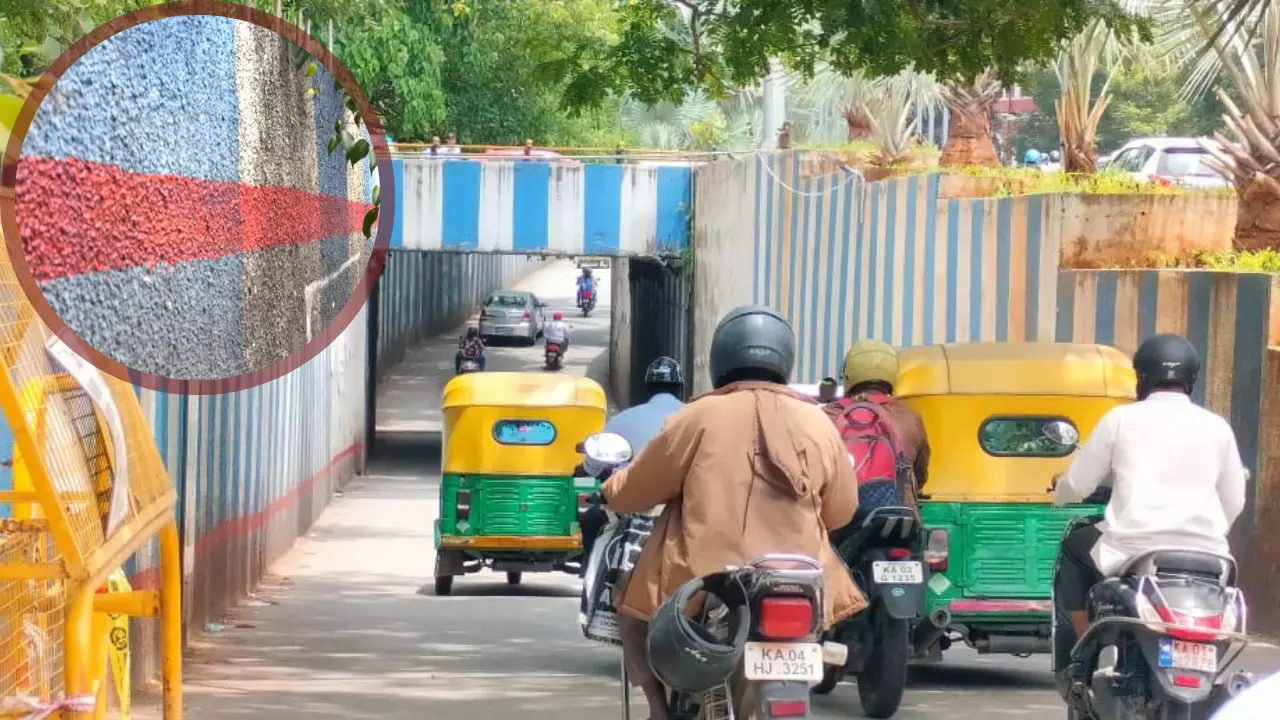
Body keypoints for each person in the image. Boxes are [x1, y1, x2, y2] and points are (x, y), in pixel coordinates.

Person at [598, 305, 865, 720]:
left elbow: (633, 493)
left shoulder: (695, 418)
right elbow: (843, 511)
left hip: (705, 585)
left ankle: (657, 711)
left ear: (721, 359)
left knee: (630, 611)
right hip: (800, 585)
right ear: (784, 358)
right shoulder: (818, 423)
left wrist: (611, 487)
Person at [1050, 333, 1247, 664]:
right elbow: (1235, 501)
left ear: (1140, 377)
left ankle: (1082, 653)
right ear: (1191, 379)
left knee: (1073, 547)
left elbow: (1080, 484)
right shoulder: (1217, 427)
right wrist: (1204, 532)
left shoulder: (1120, 419)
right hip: (1207, 557)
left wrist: (1061, 492)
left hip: (1132, 551)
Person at [579, 357, 686, 568]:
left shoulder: (623, 419)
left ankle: (590, 577)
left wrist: (585, 470)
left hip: (630, 505)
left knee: (592, 519)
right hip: (681, 506)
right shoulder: (695, 418)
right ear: (680, 388)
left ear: (647, 388)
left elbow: (593, 465)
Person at [823, 340, 930, 533]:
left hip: (841, 524)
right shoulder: (909, 419)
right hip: (900, 523)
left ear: (849, 375)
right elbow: (921, 474)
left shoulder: (828, 417)